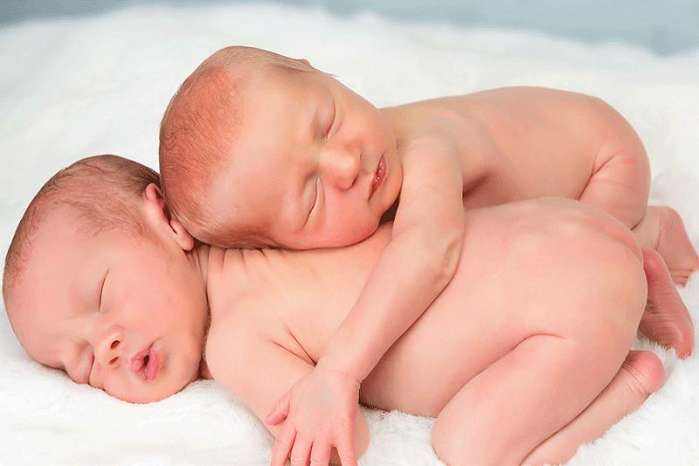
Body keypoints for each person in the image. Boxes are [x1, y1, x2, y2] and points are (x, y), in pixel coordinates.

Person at [3, 155, 672, 465]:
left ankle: (627, 382)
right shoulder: (276, 218)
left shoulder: (236, 339)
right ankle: (641, 250)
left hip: (569, 312)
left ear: (166, 219)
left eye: (100, 297)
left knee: (467, 448)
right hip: (565, 225)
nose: (106, 348)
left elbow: (334, 437)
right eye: (78, 363)